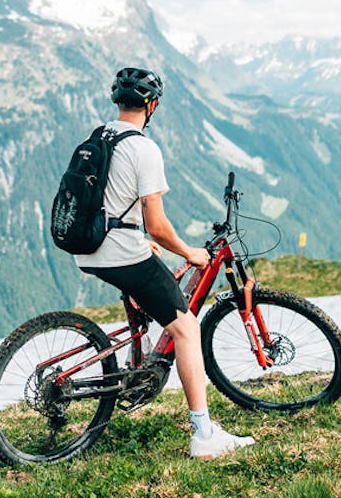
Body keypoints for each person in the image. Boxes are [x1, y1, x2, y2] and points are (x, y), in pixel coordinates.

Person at [75, 66, 255, 460]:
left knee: (152, 293)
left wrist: (136, 238)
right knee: (187, 328)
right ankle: (203, 435)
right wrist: (188, 252)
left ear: (117, 102)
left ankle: (137, 365)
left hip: (88, 248)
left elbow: (106, 202)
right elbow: (156, 225)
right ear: (151, 105)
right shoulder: (143, 148)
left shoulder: (99, 137)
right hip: (119, 251)